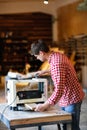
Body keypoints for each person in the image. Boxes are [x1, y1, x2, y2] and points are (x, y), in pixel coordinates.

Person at [30, 40, 85, 130]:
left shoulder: (56, 63)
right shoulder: (56, 55)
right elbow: (61, 69)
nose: (37, 58)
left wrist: (45, 105)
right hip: (68, 96)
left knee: (71, 128)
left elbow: (59, 90)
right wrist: (45, 71)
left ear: (41, 53)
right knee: (67, 126)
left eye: (37, 56)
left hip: (71, 98)